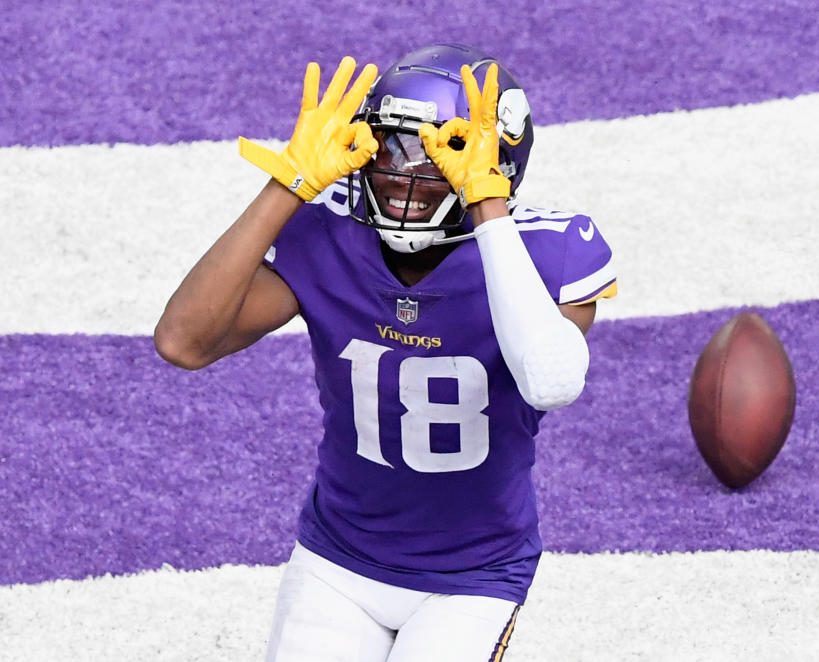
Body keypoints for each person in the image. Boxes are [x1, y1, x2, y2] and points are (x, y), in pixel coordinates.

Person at [154, 43, 617, 662]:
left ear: (499, 159)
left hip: (472, 577)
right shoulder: (331, 228)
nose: (405, 174)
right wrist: (285, 187)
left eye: (438, 152)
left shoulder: (550, 250)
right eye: (392, 147)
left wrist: (487, 208)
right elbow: (183, 342)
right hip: (337, 560)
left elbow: (550, 381)